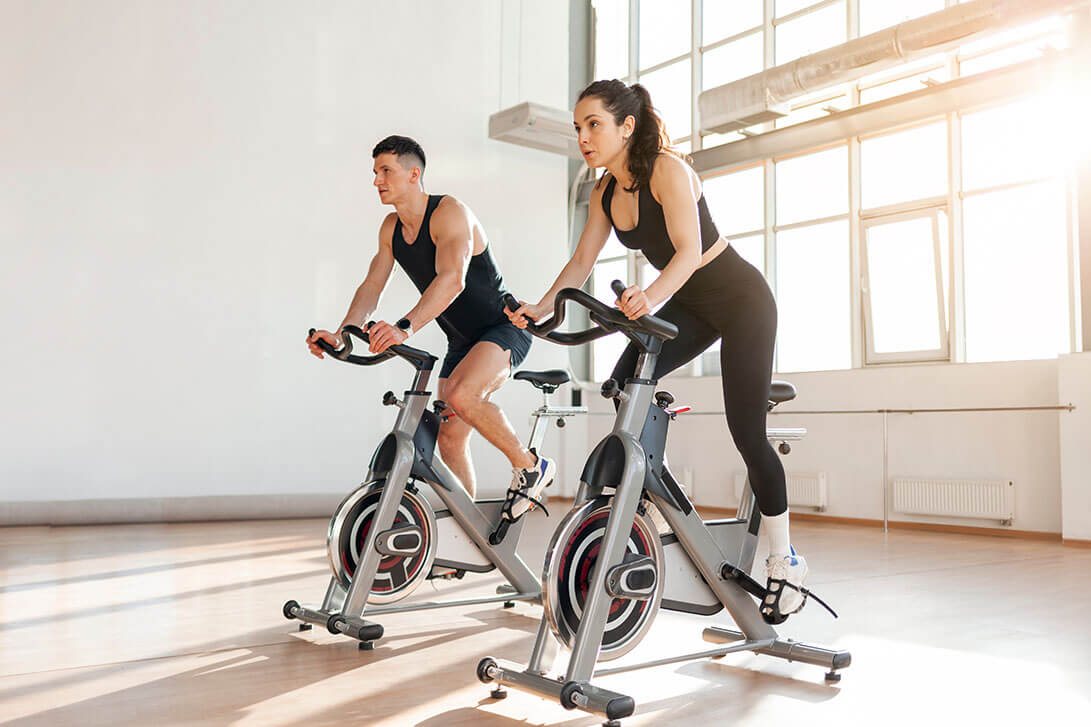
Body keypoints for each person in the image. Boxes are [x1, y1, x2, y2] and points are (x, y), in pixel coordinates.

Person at [507, 81, 807, 621]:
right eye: (578, 127)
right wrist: (541, 307)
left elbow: (690, 252)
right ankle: (663, 503)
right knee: (623, 387)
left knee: (747, 434)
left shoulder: (668, 169)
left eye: (593, 124)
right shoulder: (604, 191)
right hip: (687, 307)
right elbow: (580, 265)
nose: (583, 136)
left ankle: (785, 562)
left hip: (739, 301)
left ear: (626, 126)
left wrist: (649, 296)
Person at [309, 135, 554, 522]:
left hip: (502, 327)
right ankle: (470, 532)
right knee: (451, 438)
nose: (377, 181)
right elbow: (372, 284)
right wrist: (343, 334)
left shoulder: (448, 212)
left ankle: (530, 466)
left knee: (461, 394)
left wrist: (404, 327)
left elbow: (453, 279)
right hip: (460, 340)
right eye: (375, 173)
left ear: (414, 174)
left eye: (386, 171)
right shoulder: (391, 228)